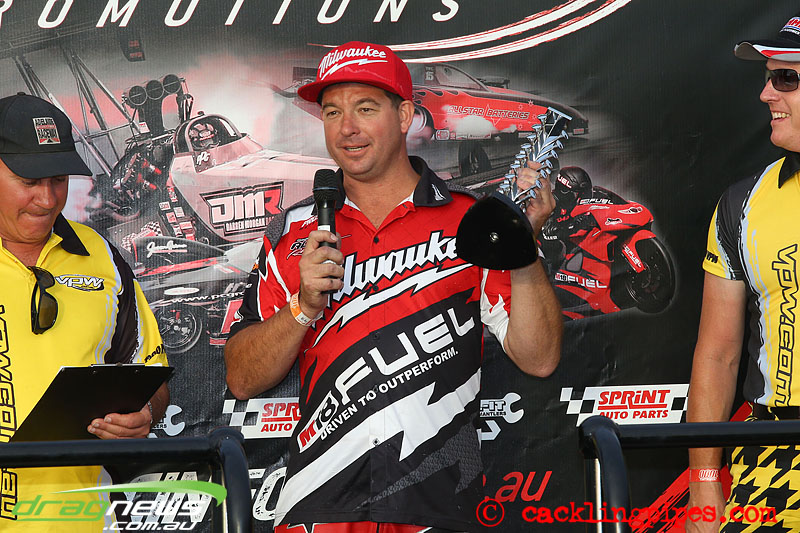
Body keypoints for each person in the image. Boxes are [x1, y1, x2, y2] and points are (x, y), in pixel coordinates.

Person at [225, 41, 562, 532]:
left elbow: (540, 358)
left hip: (439, 505)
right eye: (332, 111)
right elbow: (240, 377)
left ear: (404, 115)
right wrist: (302, 307)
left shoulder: (469, 221)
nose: (347, 128)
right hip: (317, 508)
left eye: (365, 108)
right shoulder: (294, 230)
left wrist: (522, 249)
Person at [0, 93, 169, 530]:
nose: (46, 199)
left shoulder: (102, 256)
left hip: (86, 519)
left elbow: (149, 372)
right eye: (28, 180)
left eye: (59, 179)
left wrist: (144, 414)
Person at [687, 12, 800, 532]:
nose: (765, 94)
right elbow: (717, 353)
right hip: (773, 451)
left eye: (787, 78)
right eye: (768, 77)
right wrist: (704, 487)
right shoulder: (741, 203)